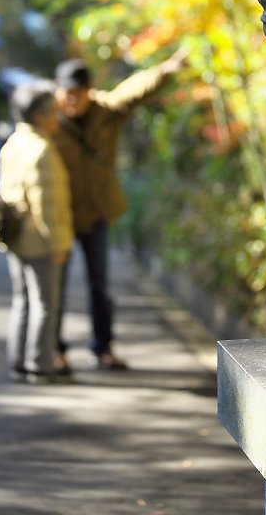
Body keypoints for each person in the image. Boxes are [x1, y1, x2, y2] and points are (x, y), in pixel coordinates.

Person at [53, 50, 186, 370]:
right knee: (53, 285)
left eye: (77, 94)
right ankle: (54, 350)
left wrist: (167, 69)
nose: (71, 101)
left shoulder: (105, 112)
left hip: (95, 211)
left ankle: (103, 347)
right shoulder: (47, 118)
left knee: (99, 283)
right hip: (58, 214)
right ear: (56, 91)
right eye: (65, 93)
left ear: (89, 91)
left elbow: (135, 89)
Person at [0, 81, 73, 384]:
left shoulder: (14, 142)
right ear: (40, 115)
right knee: (45, 304)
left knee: (22, 300)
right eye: (53, 111)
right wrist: (59, 243)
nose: (57, 117)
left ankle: (18, 362)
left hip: (15, 236)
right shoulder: (42, 150)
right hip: (39, 240)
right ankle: (41, 365)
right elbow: (49, 206)